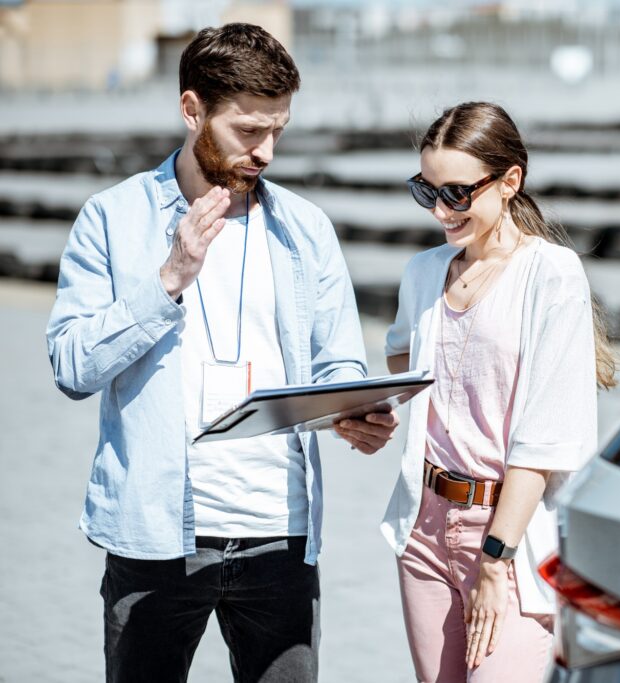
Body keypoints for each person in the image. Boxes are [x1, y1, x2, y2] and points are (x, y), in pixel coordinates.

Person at [45, 23, 397, 682]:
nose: (266, 151)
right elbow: (71, 366)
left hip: (281, 537)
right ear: (191, 109)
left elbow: (339, 361)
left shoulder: (307, 228)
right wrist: (167, 281)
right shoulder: (110, 218)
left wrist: (352, 410)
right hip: (156, 537)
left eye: (278, 132)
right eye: (248, 131)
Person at [372, 101, 615, 682]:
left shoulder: (551, 274)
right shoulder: (425, 272)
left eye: (457, 193)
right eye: (425, 190)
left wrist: (493, 562)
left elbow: (544, 441)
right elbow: (405, 364)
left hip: (510, 537)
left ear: (510, 182)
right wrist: (361, 411)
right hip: (425, 530)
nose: (440, 210)